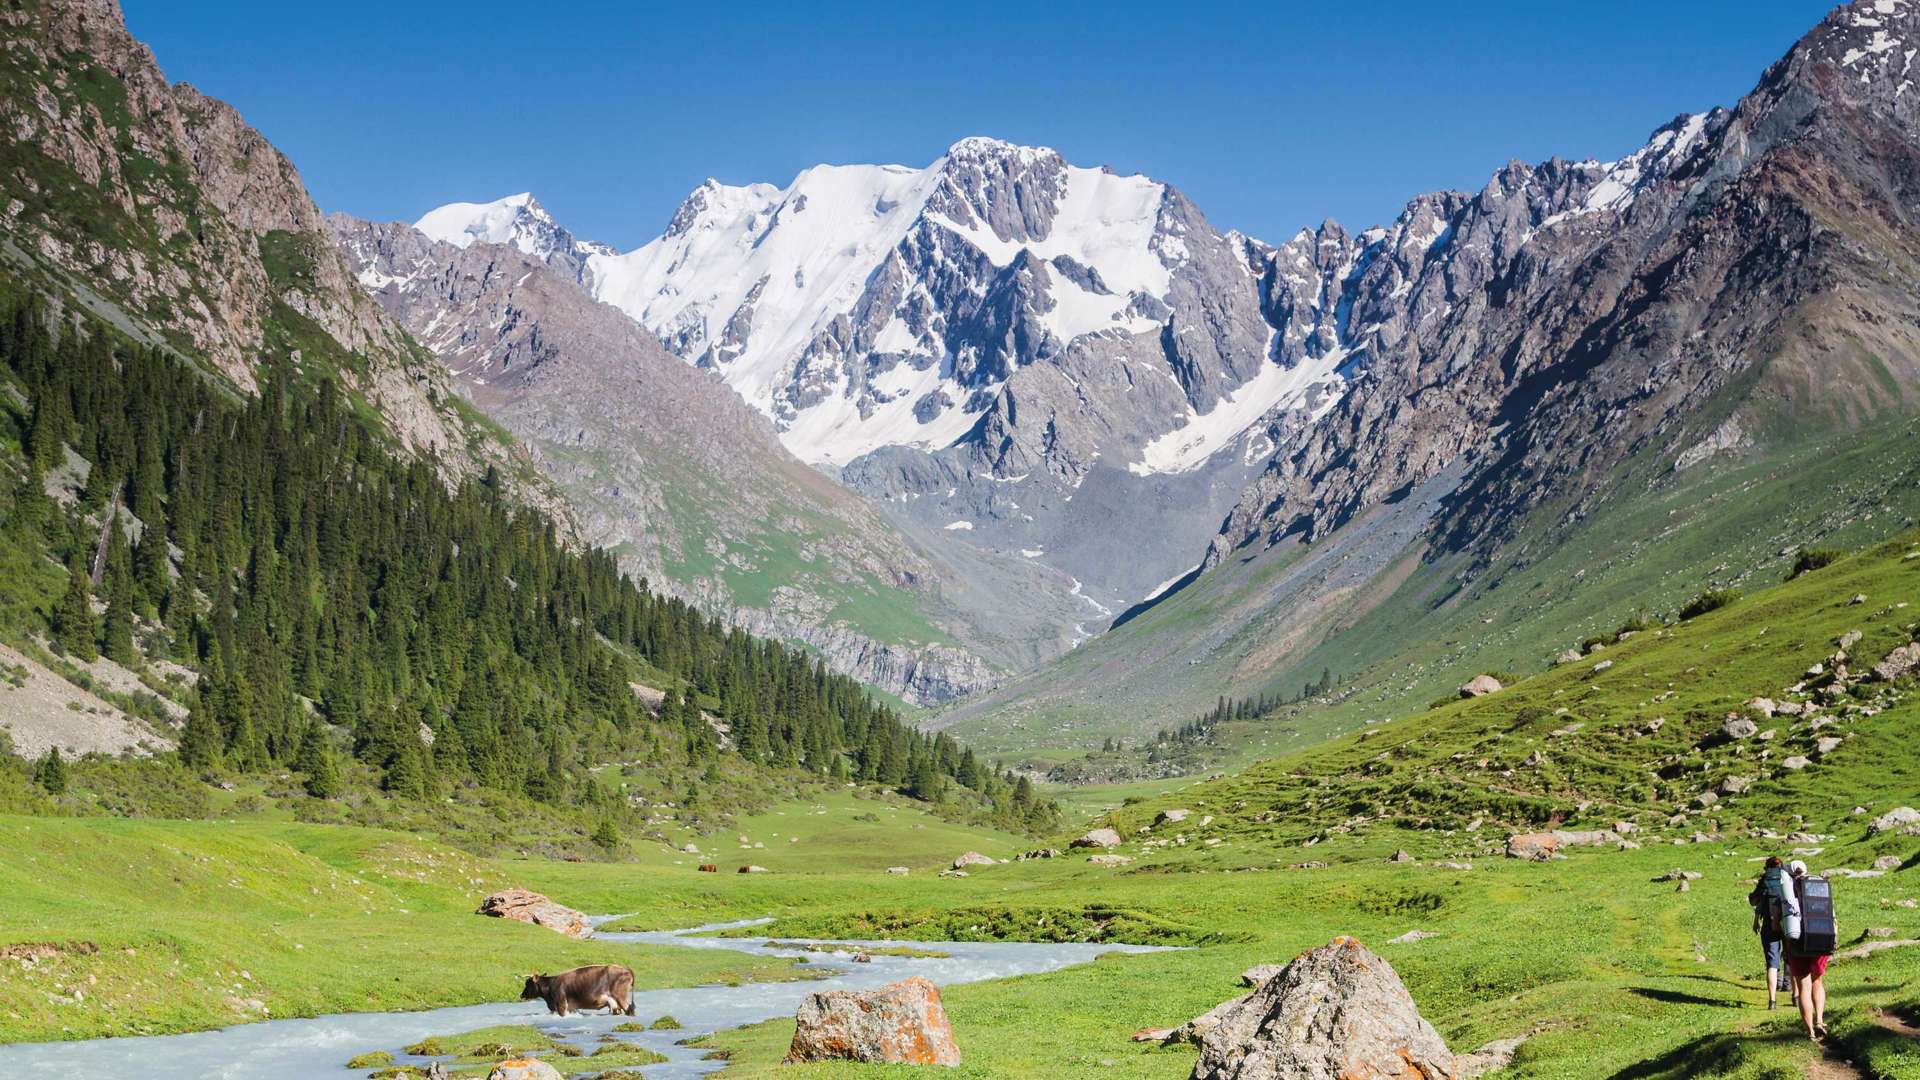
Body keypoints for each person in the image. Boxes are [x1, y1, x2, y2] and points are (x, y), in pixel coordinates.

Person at [1785, 859, 1830, 1040]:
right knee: (1817, 982)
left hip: (1796, 943)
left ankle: (1810, 1030)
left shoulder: (1788, 890)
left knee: (1803, 986)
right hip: (1819, 939)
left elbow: (1776, 922)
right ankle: (1819, 1020)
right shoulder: (1817, 885)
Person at [1747, 856, 1791, 1009]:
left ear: (1767, 867)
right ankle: (1793, 993)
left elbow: (1755, 901)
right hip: (1788, 923)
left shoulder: (1764, 880)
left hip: (1769, 924)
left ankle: (1772, 1001)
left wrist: (1756, 918)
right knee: (1790, 956)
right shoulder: (1787, 878)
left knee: (1772, 962)